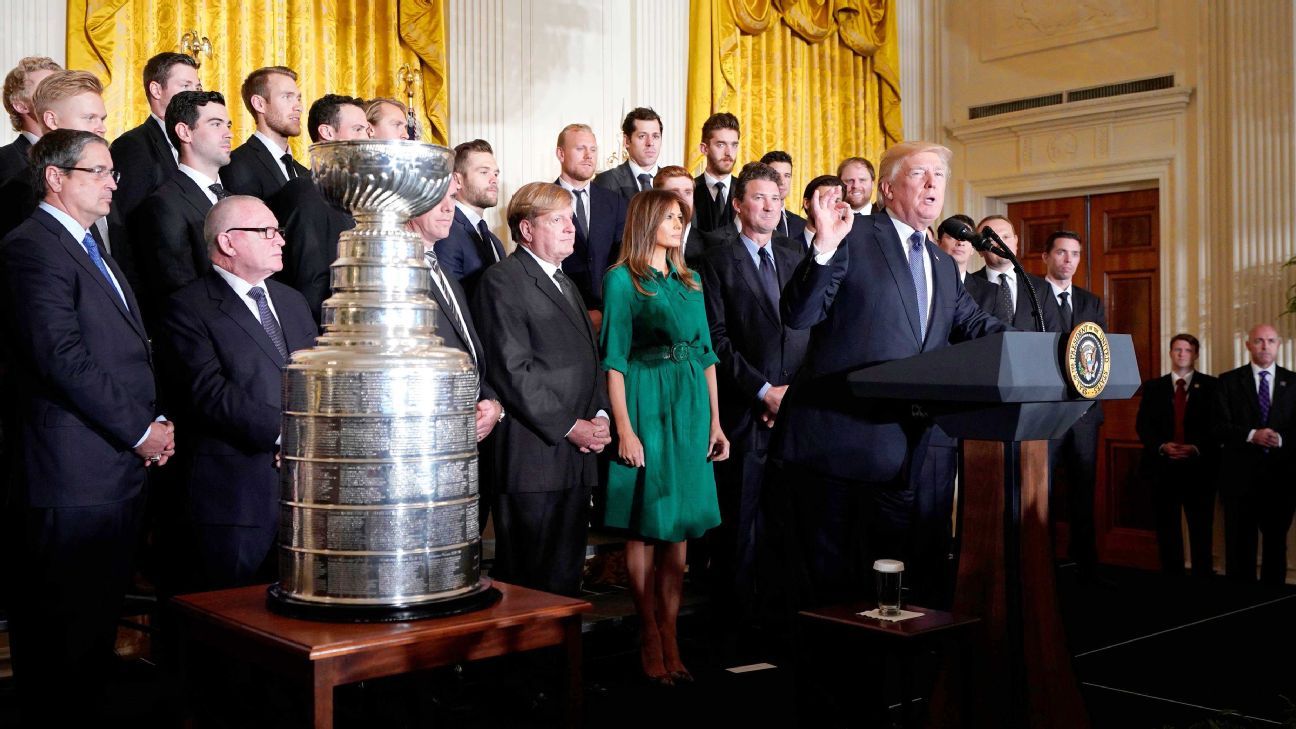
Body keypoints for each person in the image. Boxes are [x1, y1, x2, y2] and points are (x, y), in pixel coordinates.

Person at [772, 140, 1008, 608]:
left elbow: (977, 326)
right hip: (836, 446)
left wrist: (1046, 348)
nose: (932, 184)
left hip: (903, 451)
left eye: (938, 176)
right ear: (886, 187)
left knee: (887, 591)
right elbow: (799, 314)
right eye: (920, 174)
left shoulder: (941, 262)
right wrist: (822, 248)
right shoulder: (852, 234)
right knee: (832, 592)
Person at [0, 129, 173, 724]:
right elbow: (61, 357)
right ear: (55, 177)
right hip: (69, 477)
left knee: (93, 638)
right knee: (61, 643)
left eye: (112, 172)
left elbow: (125, 350)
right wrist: (139, 429)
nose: (112, 182)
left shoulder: (90, 245)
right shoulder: (33, 247)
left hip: (108, 471)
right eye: (98, 171)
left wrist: (152, 419)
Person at [601, 188, 728, 685]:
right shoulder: (621, 280)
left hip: (692, 405)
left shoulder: (691, 280)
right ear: (647, 220)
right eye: (671, 217)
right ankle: (648, 630)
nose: (679, 225)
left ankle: (671, 632)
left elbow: (708, 355)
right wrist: (625, 431)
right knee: (645, 523)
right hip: (645, 402)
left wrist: (716, 423)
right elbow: (613, 360)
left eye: (682, 218)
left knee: (680, 528)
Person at [160, 196, 316, 590]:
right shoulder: (187, 307)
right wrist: (287, 433)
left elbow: (315, 379)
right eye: (266, 232)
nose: (280, 240)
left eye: (278, 231)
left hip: (302, 496)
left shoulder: (292, 301)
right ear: (228, 243)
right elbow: (208, 392)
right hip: (233, 499)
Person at [473, 182, 611, 597]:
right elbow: (514, 371)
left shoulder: (565, 282)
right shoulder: (503, 280)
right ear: (526, 229)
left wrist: (601, 417)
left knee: (565, 583)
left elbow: (591, 361)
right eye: (557, 220)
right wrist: (573, 426)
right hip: (534, 459)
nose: (570, 228)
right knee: (530, 588)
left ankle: (560, 662)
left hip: (574, 457)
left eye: (570, 219)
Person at [699, 164, 809, 640]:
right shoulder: (716, 261)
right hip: (744, 413)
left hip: (794, 415)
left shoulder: (794, 254)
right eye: (759, 198)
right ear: (739, 205)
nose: (769, 206)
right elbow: (717, 341)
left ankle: (780, 623)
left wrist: (792, 394)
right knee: (739, 528)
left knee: (786, 526)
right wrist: (764, 392)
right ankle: (735, 629)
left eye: (775, 198)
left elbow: (809, 328)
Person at [409, 172, 504, 531]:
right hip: (426, 449)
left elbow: (472, 354)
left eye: (452, 198)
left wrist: (492, 403)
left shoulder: (444, 275)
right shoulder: (396, 273)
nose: (449, 208)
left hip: (467, 443)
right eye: (438, 199)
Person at [130, 89, 232, 328]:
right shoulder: (163, 204)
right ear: (185, 131)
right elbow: (179, 293)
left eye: (228, 124)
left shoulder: (232, 197)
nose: (228, 133)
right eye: (216, 124)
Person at [264, 93, 367, 322]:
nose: (367, 139)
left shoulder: (355, 198)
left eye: (367, 131)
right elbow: (310, 287)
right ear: (328, 133)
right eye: (358, 130)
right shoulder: (307, 194)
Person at [1040, 230, 1105, 579]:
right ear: (1046, 257)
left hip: (1083, 414)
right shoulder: (1030, 295)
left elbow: (1101, 352)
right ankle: (1043, 565)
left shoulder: (1091, 302)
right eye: (1062, 253)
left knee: (1083, 491)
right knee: (1042, 492)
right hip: (1045, 412)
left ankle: (1086, 565)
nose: (1069, 260)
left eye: (1075, 254)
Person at [1213, 324, 1296, 584]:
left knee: (1275, 546)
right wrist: (1252, 435)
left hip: (1281, 479)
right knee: (1240, 547)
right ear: (1248, 345)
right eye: (1259, 341)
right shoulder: (1228, 381)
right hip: (1240, 478)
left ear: (1278, 344)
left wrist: (1280, 438)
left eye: (1270, 341)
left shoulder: (1293, 382)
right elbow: (1218, 426)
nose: (1265, 346)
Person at [1135, 334, 1219, 577]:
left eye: (1188, 350)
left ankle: (1203, 577)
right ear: (1171, 353)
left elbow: (1217, 426)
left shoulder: (1213, 386)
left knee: (1201, 528)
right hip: (1163, 468)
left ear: (1196, 354)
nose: (1182, 354)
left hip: (1199, 469)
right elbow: (1143, 427)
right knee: (1167, 528)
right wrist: (1162, 446)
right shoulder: (1153, 387)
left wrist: (1195, 447)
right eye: (1177, 349)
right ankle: (1172, 578)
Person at [110, 52, 200, 217]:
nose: (196, 95)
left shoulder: (201, 141)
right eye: (186, 86)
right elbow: (125, 218)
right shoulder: (132, 146)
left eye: (198, 87)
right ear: (156, 90)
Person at [554, 123, 627, 317]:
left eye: (593, 149)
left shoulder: (615, 202)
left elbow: (622, 258)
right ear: (561, 154)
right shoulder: (544, 201)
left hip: (608, 311)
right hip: (561, 310)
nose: (589, 156)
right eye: (580, 149)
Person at [220, 66, 309, 199]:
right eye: (287, 97)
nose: (298, 107)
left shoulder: (303, 173)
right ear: (259, 104)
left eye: (298, 98)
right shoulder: (236, 165)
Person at [433, 139, 506, 298]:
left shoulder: (494, 241)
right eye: (484, 172)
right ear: (458, 180)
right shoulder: (446, 231)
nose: (493, 179)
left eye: (495, 173)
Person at [968, 215, 1054, 331]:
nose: (1001, 244)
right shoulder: (967, 287)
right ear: (980, 250)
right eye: (992, 240)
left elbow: (1053, 334)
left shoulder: (1041, 288)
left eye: (1006, 237)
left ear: (1016, 241)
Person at [0, 56, 61, 185]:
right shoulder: (4, 162)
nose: (61, 94)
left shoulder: (84, 155)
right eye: (47, 88)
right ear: (21, 106)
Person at [594, 106, 663, 201]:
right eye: (642, 136)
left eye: (655, 136)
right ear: (626, 141)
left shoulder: (673, 182)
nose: (650, 143)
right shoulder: (607, 182)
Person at [692, 112, 740, 234]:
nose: (729, 153)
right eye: (721, 145)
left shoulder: (745, 190)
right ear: (704, 148)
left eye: (734, 145)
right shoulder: (689, 189)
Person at [654, 165, 708, 267]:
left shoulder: (711, 247)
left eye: (688, 192)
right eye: (674, 193)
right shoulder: (638, 245)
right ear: (657, 199)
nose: (682, 199)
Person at [782, 175, 847, 255]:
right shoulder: (786, 250)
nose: (830, 207)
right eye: (824, 200)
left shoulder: (851, 249)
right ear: (807, 203)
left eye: (836, 201)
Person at [759, 150, 805, 241]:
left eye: (787, 175)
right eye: (775, 175)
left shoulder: (802, 225)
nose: (782, 182)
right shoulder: (751, 219)